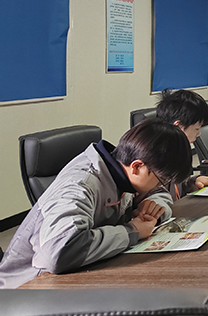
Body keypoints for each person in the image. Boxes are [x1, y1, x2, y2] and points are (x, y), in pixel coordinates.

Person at [0, 119, 192, 289]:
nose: (161, 186)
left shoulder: (121, 171)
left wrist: (153, 204)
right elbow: (57, 252)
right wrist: (132, 232)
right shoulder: (80, 185)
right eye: (161, 179)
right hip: (27, 289)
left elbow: (159, 193)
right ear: (137, 166)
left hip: (83, 272)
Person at [156, 89, 208, 198]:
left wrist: (194, 182)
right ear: (179, 126)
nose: (199, 134)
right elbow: (157, 195)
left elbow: (178, 185)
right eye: (196, 129)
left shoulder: (179, 150)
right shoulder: (155, 157)